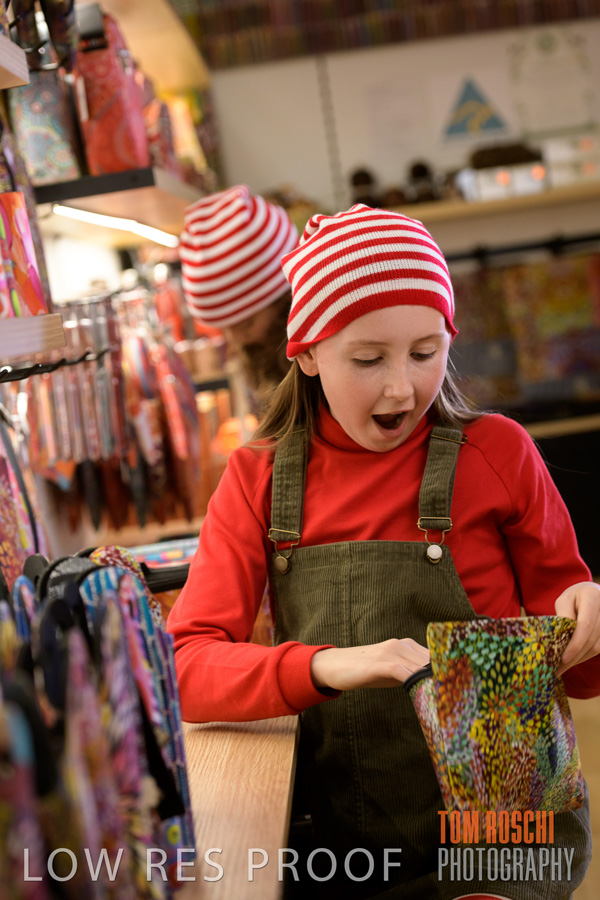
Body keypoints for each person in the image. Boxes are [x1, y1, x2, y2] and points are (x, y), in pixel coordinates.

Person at [167, 205, 600, 899]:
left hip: (508, 839)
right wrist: (329, 665)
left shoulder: (499, 453)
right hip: (355, 839)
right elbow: (186, 667)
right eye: (368, 359)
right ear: (306, 353)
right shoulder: (257, 480)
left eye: (426, 352)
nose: (402, 386)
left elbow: (584, 676)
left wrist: (589, 617)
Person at [179, 184, 299, 414]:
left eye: (246, 323)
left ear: (288, 301)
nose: (234, 337)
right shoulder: (261, 352)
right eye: (225, 327)